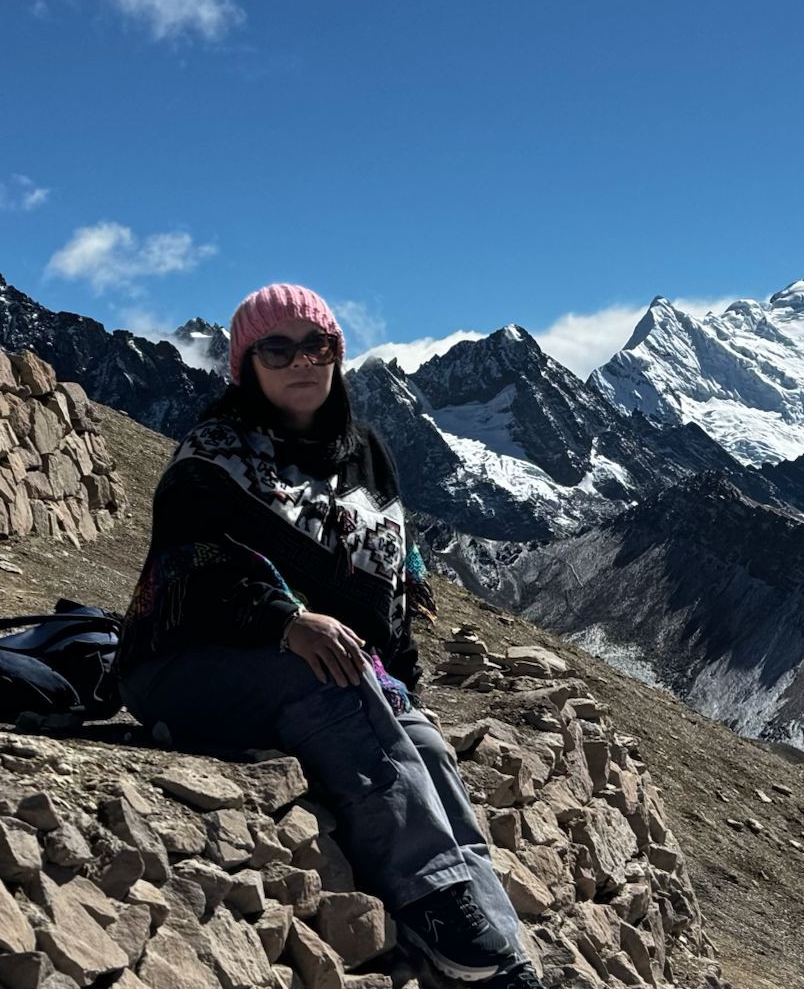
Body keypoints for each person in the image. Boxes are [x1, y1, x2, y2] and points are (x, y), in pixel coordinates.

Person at [117, 282, 541, 988]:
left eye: (316, 345)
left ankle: (501, 951)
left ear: (337, 354)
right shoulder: (213, 453)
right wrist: (285, 622)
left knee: (425, 742)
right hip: (183, 664)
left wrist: (402, 683)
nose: (300, 362)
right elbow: (187, 570)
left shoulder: (365, 453)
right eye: (276, 349)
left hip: (334, 666)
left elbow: (392, 581)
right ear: (245, 365)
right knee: (339, 692)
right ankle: (436, 907)